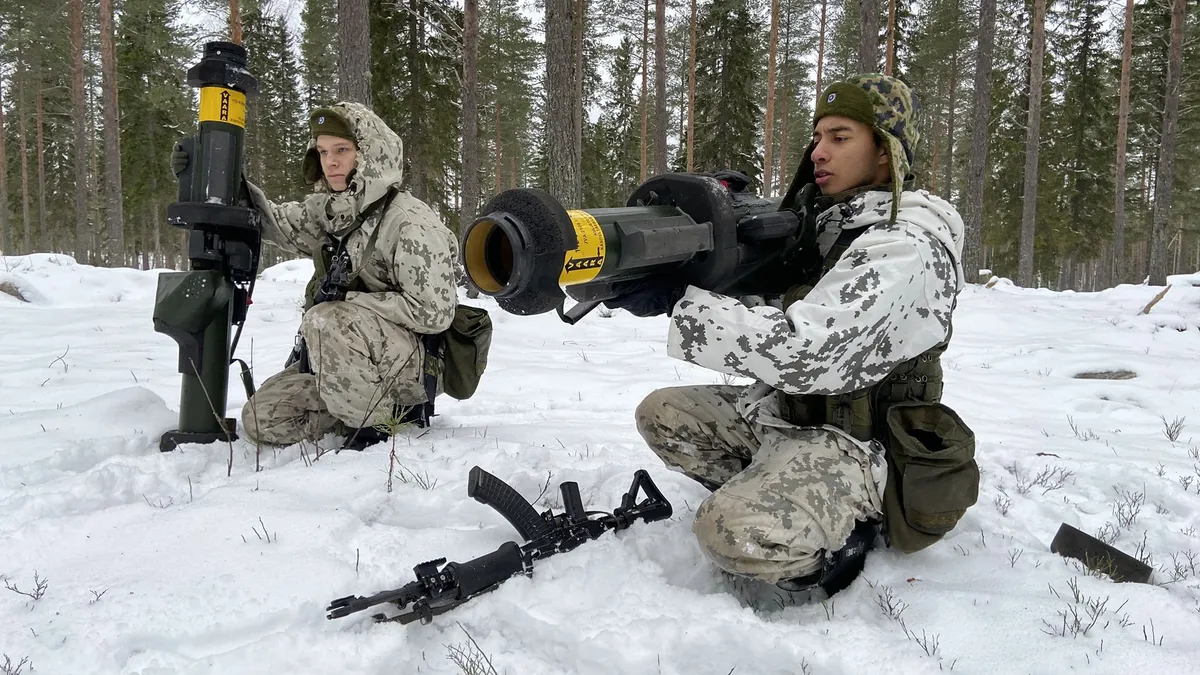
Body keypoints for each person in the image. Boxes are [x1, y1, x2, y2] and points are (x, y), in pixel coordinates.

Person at [610, 74, 978, 595]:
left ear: (885, 152)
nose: (818, 152)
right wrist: (691, 273)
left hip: (865, 448)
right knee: (664, 414)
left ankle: (841, 538)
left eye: (840, 137)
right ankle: (783, 491)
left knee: (729, 532)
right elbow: (780, 307)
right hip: (794, 417)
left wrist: (684, 304)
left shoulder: (906, 246)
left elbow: (810, 349)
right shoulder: (833, 227)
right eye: (818, 137)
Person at [173, 102, 459, 450]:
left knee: (326, 319)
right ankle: (360, 404)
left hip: (412, 364)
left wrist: (350, 303)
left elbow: (433, 313)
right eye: (323, 152)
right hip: (350, 356)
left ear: (369, 154)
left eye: (342, 150)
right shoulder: (332, 211)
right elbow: (272, 221)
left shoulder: (410, 223)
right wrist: (209, 174)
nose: (331, 162)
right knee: (263, 418)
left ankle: (374, 428)